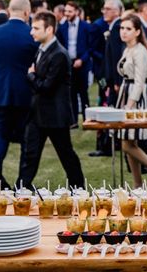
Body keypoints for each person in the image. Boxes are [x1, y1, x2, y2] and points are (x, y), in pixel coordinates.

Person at [18, 11, 85, 189]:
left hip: (55, 115)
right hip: (37, 114)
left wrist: (31, 75)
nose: (31, 32)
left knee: (66, 155)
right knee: (30, 155)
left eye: (36, 28)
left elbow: (47, 86)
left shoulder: (60, 55)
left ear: (49, 29)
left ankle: (78, 189)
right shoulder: (40, 49)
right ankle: (22, 189)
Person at [0, 0, 37, 190]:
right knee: (25, 137)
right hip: (26, 92)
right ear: (26, 12)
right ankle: (22, 181)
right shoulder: (32, 34)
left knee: (1, 133)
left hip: (0, 90)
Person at [115, 13, 147, 187]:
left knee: (127, 144)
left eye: (128, 29)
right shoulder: (127, 49)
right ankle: (137, 185)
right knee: (128, 141)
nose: (124, 32)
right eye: (122, 28)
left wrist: (130, 103)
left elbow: (140, 81)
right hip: (126, 91)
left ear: (137, 31)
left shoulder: (140, 51)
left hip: (138, 96)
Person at [89, 0, 124, 157]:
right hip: (108, 78)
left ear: (117, 11)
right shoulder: (113, 27)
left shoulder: (117, 28)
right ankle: (107, 145)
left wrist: (116, 81)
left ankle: (108, 146)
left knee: (110, 110)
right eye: (104, 8)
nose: (104, 11)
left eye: (108, 8)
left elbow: (117, 58)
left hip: (113, 80)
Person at [57, 1, 91, 127]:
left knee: (83, 92)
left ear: (76, 12)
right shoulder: (62, 27)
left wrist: (82, 59)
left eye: (70, 11)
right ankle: (73, 120)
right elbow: (60, 45)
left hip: (82, 62)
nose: (67, 14)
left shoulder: (86, 27)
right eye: (65, 11)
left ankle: (88, 119)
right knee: (71, 93)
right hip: (69, 63)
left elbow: (90, 47)